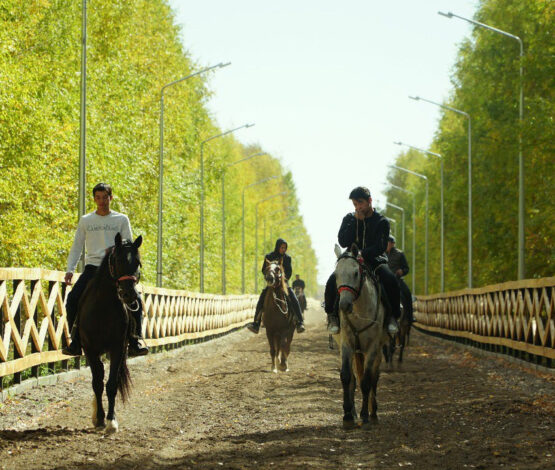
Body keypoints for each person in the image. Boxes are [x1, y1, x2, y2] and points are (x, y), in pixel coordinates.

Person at [62, 183, 148, 357]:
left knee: (135, 300)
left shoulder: (121, 219)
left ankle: (134, 340)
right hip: (93, 268)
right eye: (98, 198)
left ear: (111, 198)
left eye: (105, 197)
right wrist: (70, 269)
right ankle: (76, 341)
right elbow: (77, 245)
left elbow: (128, 246)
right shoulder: (86, 220)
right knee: (72, 299)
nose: (101, 201)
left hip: (115, 269)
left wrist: (122, 262)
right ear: (94, 199)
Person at [324, 186, 401, 335]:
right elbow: (343, 241)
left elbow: (381, 246)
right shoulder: (349, 219)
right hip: (351, 260)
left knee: (390, 280)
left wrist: (363, 254)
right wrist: (355, 222)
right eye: (355, 204)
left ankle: (392, 317)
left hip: (375, 260)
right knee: (332, 280)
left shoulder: (381, 221)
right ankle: (332, 316)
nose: (358, 207)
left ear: (369, 201)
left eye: (360, 203)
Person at [246, 238, 306, 334]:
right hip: (271, 283)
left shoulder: (287, 258)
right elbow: (263, 270)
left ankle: (300, 322)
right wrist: (269, 275)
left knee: (293, 297)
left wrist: (282, 279)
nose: (284, 250)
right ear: (278, 247)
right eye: (282, 247)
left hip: (283, 283)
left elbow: (289, 272)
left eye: (285, 248)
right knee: (262, 298)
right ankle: (256, 323)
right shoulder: (269, 256)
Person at [386, 235, 415, 323]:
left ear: (393, 244)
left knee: (407, 293)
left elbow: (406, 268)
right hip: (384, 280)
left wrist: (402, 271)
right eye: (387, 242)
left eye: (390, 243)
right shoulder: (380, 254)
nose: (388, 244)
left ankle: (410, 316)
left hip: (397, 280)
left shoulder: (400, 254)